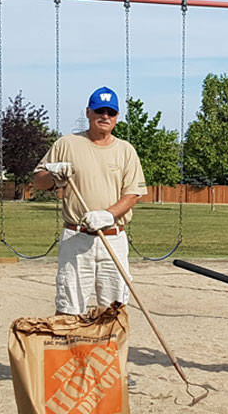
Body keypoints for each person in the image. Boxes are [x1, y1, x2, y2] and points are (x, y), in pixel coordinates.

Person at [32, 86, 148, 314]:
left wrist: (107, 214)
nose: (105, 116)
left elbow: (132, 194)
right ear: (88, 113)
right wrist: (54, 176)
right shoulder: (66, 144)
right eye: (99, 111)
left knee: (115, 310)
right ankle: (72, 350)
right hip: (76, 237)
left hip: (113, 237)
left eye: (110, 113)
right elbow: (38, 181)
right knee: (69, 307)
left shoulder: (126, 150)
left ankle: (110, 351)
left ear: (116, 117)